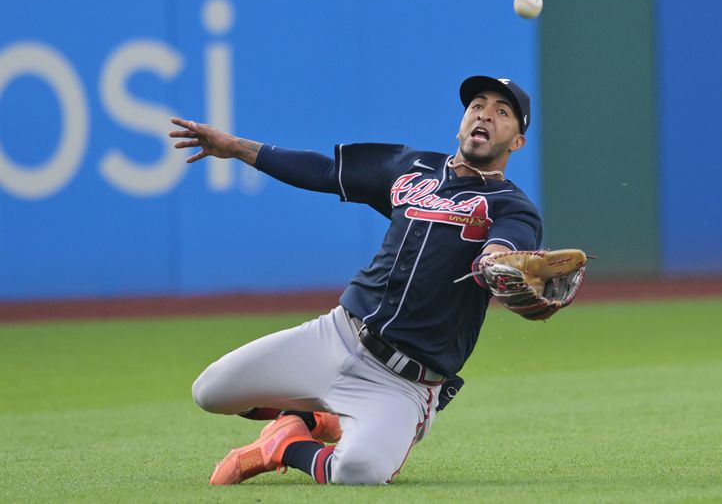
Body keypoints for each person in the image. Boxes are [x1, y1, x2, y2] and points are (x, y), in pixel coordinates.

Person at [169, 76, 543, 485]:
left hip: (403, 383)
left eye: (502, 112)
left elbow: (502, 249)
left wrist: (495, 263)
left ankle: (283, 444)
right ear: (462, 122)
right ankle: (317, 415)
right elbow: (327, 171)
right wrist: (236, 148)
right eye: (477, 105)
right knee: (210, 391)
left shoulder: (513, 208)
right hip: (338, 335)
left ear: (517, 142)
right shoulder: (412, 167)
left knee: (359, 471)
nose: (485, 114)